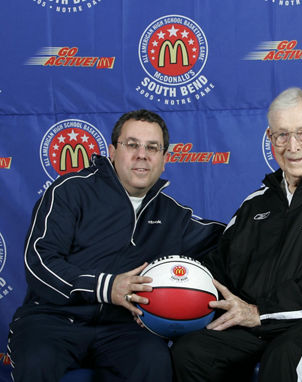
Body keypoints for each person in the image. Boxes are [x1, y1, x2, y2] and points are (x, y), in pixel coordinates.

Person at [171, 87, 302, 381]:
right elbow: (219, 270)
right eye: (281, 135)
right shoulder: (256, 204)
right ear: (270, 139)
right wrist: (170, 292)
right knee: (191, 351)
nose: (292, 146)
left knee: (287, 356)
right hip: (260, 326)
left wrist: (261, 312)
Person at [8, 109, 224, 382]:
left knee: (153, 360)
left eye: (152, 147)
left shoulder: (173, 215)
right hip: (54, 319)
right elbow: (38, 262)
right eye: (132, 144)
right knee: (37, 361)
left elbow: (233, 238)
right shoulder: (70, 190)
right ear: (112, 151)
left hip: (125, 328)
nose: (142, 154)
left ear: (165, 159)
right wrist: (106, 287)